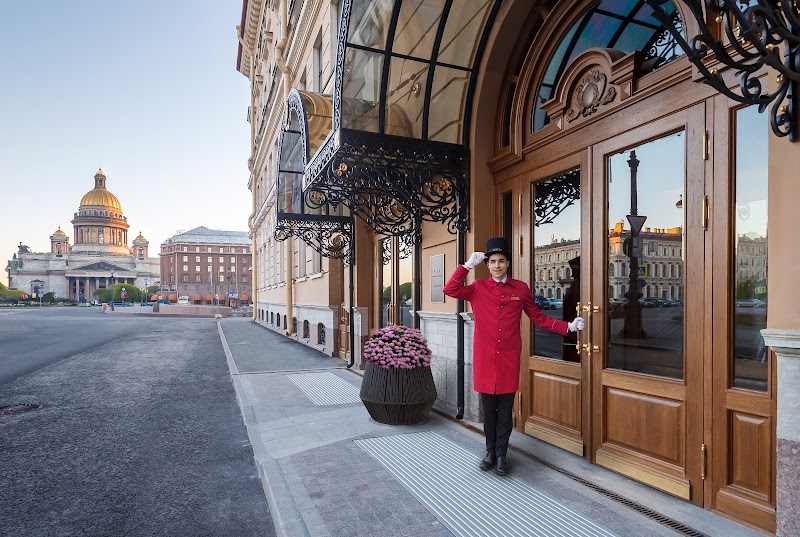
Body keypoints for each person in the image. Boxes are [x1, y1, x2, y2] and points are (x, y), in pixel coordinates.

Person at [443, 237, 585, 476]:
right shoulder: (478, 288)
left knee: (505, 411)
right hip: (485, 360)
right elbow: (450, 289)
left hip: (508, 360)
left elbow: (538, 317)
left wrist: (568, 327)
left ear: (508, 263)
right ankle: (489, 452)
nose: (497, 265)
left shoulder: (520, 289)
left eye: (501, 261)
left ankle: (502, 455)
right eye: (492, 262)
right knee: (488, 411)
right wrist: (466, 265)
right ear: (487, 265)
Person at [561, 255, 581, 363]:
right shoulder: (578, 286)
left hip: (574, 335)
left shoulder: (577, 287)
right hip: (572, 333)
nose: (573, 274)